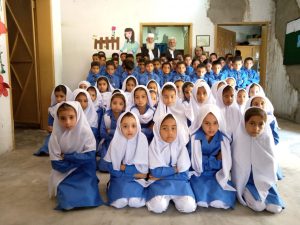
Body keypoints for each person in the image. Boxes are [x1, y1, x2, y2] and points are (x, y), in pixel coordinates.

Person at [48, 101, 103, 210]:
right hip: (64, 172)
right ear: (57, 118)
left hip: (84, 171)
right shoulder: (55, 136)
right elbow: (56, 164)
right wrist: (77, 160)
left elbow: (90, 156)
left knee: (88, 196)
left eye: (71, 117)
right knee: (67, 201)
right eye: (62, 118)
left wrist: (68, 157)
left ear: (78, 116)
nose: (67, 122)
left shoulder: (86, 133)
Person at [231, 107, 284, 213]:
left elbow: (271, 163)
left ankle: (269, 194)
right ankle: (247, 192)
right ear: (244, 123)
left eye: (261, 124)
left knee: (275, 208)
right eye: (252, 123)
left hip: (265, 180)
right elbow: (237, 167)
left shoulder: (266, 139)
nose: (256, 128)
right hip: (247, 181)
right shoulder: (239, 140)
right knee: (258, 206)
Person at [146, 114, 197, 213]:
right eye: (165, 128)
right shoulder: (154, 146)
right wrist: (175, 169)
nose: (170, 132)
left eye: (173, 128)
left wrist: (162, 174)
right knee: (158, 206)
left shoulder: (180, 145)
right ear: (157, 130)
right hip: (159, 184)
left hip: (180, 184)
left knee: (189, 206)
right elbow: (155, 172)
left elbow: (184, 175)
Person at [189, 104, 236, 209]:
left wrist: (210, 161)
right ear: (201, 122)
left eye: (215, 123)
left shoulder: (223, 139)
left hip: (217, 173)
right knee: (201, 191)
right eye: (207, 123)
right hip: (199, 173)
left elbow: (224, 163)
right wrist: (215, 159)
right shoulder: (194, 138)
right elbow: (194, 162)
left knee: (220, 194)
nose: (211, 127)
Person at [104, 111, 148, 208]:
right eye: (125, 126)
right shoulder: (115, 141)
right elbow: (111, 167)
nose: (129, 130)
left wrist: (124, 168)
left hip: (136, 179)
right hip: (118, 178)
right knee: (119, 203)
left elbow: (143, 168)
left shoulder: (142, 139)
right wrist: (122, 173)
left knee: (135, 202)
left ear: (138, 126)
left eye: (133, 126)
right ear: (119, 127)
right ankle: (111, 186)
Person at [34, 85, 73, 156]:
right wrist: (50, 127)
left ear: (67, 96)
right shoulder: (52, 109)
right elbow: (50, 122)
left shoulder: (72, 108)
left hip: (68, 130)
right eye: (56, 96)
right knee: (50, 139)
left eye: (61, 96)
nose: (58, 99)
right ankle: (46, 150)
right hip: (56, 131)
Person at [98, 92, 127, 172]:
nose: (117, 106)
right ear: (110, 104)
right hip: (108, 143)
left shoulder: (125, 117)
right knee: (103, 167)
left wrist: (111, 131)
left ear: (124, 106)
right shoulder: (106, 116)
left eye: (120, 104)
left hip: (122, 143)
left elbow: (125, 133)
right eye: (114, 103)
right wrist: (117, 133)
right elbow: (102, 133)